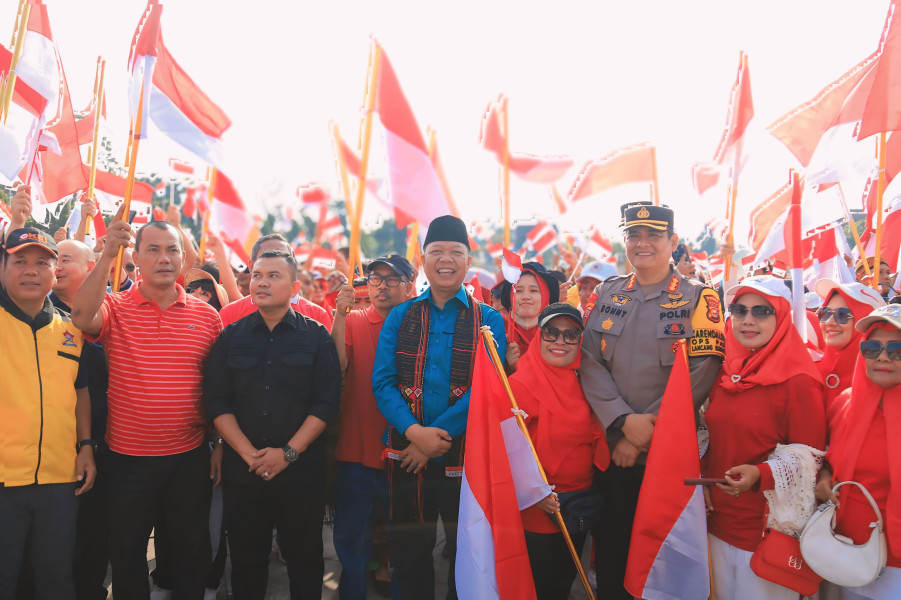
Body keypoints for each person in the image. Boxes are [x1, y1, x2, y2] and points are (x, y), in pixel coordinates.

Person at [71, 216, 223, 598]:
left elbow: (219, 389)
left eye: (172, 249)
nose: (164, 258)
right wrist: (106, 253)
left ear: (184, 259)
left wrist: (218, 443)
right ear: (135, 257)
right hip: (126, 461)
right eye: (152, 249)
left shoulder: (208, 318)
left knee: (190, 553)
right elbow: (80, 317)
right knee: (127, 556)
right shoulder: (115, 307)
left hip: (188, 459)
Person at [580, 202, 725, 599]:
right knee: (612, 554)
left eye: (653, 235)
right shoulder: (606, 293)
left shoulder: (701, 298)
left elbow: (704, 369)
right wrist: (623, 423)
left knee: (662, 561)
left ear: (672, 242)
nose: (642, 243)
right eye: (633, 235)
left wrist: (644, 433)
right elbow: (589, 361)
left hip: (667, 455)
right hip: (613, 453)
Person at [373, 215, 507, 599]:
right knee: (409, 552)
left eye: (455, 252)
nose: (445, 259)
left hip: (466, 458)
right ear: (423, 258)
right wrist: (415, 434)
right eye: (437, 252)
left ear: (468, 260)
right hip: (407, 454)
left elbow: (488, 387)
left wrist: (436, 436)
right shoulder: (402, 315)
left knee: (465, 553)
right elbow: (382, 383)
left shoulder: (490, 319)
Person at [205, 249, 342, 600]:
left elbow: (326, 403)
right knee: (247, 564)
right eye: (257, 275)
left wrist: (289, 453)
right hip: (244, 471)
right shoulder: (230, 336)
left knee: (305, 562)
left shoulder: (315, 336)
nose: (261, 282)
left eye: (273, 276)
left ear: (294, 286)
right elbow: (217, 401)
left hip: (300, 473)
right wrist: (248, 453)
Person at [703, 276, 826, 599]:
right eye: (739, 310)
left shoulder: (799, 380)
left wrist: (762, 474)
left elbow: (811, 458)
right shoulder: (721, 369)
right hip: (715, 522)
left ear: (781, 316)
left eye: (761, 311)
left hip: (765, 532)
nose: (748, 320)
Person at [0, 227, 96, 598]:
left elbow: (81, 390)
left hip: (59, 479)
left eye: (42, 262)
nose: (30, 270)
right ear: (4, 266)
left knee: (56, 580)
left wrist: (85, 445)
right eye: (19, 261)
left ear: (55, 271)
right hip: (5, 480)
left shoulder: (71, 330)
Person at [509, 303, 609, 600]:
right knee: (538, 586)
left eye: (570, 335)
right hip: (538, 506)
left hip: (578, 503)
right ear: (539, 335)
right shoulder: (518, 383)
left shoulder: (589, 382)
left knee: (562, 584)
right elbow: (508, 447)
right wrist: (534, 491)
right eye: (551, 333)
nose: (560, 342)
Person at [331, 255, 416, 600]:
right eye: (376, 278)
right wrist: (339, 315)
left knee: (405, 540)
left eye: (392, 279)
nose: (382, 285)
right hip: (356, 449)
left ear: (410, 286)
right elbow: (336, 366)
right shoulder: (353, 322)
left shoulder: (418, 325)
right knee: (352, 535)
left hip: (407, 452)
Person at [816, 303, 901, 599]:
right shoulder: (844, 403)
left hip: (895, 569)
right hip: (839, 552)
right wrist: (825, 479)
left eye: (897, 349)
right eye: (872, 348)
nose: (883, 357)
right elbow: (830, 460)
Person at [49, 239, 113, 600]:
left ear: (91, 268)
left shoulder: (110, 314)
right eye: (51, 259)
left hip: (105, 443)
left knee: (93, 533)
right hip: (55, 445)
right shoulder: (41, 314)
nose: (55, 266)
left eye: (65, 259)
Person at [218, 234, 333, 329]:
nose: (274, 261)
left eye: (282, 257)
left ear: (293, 266)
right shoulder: (230, 314)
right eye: (266, 256)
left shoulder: (317, 315)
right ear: (252, 266)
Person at [813, 280, 885, 426]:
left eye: (843, 315)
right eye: (825, 313)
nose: (829, 322)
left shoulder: (885, 378)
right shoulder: (809, 370)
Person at [500, 261, 560, 370]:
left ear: (546, 296)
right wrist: (506, 366)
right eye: (518, 290)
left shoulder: (562, 336)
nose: (525, 296)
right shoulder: (496, 335)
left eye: (533, 290)